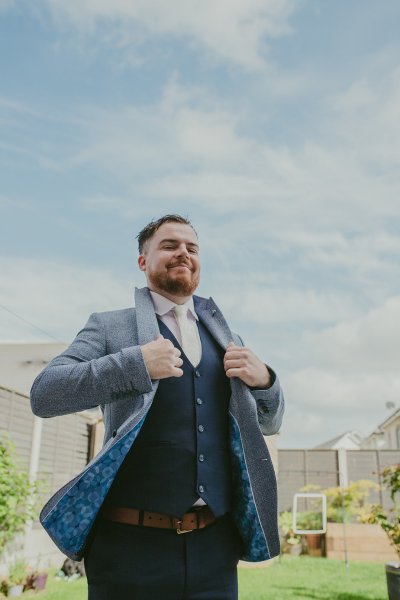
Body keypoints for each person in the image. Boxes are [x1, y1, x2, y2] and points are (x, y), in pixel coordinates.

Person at [30, 214, 284, 600]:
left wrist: (265, 379)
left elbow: (271, 422)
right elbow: (44, 394)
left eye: (192, 247)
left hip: (215, 548)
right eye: (169, 245)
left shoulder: (229, 338)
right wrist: (134, 365)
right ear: (143, 260)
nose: (183, 252)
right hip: (129, 550)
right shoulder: (109, 327)